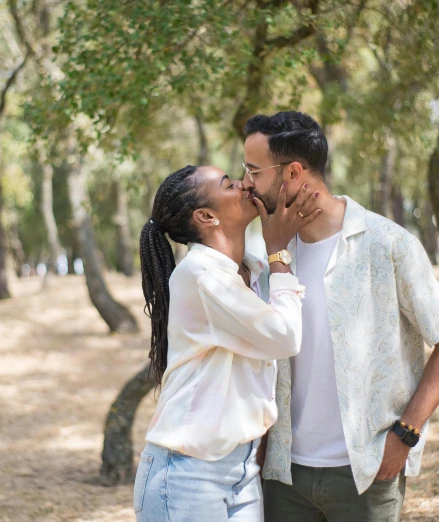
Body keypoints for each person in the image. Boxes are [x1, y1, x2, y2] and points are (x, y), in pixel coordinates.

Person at [241, 111, 439, 521]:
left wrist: (407, 434)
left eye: (253, 171)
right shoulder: (273, 256)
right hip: (282, 476)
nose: (245, 183)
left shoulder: (388, 244)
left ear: (292, 172)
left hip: (365, 474)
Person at [134, 164, 322, 521]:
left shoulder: (249, 271)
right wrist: (278, 250)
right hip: (188, 475)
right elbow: (283, 337)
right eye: (228, 184)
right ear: (206, 216)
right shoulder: (203, 276)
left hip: (241, 470)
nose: (244, 183)